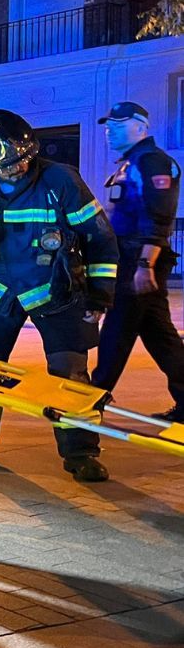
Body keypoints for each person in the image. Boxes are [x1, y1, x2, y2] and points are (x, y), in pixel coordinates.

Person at [0, 110, 119, 481]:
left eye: (21, 160)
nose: (16, 169)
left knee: (69, 375)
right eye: (6, 166)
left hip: (58, 292)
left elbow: (101, 240)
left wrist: (99, 297)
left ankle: (81, 453)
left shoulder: (61, 180)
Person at [91, 102, 184, 421]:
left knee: (116, 332)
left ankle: (92, 400)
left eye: (118, 125)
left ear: (141, 127)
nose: (109, 130)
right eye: (108, 125)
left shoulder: (153, 161)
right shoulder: (132, 162)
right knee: (160, 337)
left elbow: (158, 215)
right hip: (129, 260)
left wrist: (146, 264)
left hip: (137, 262)